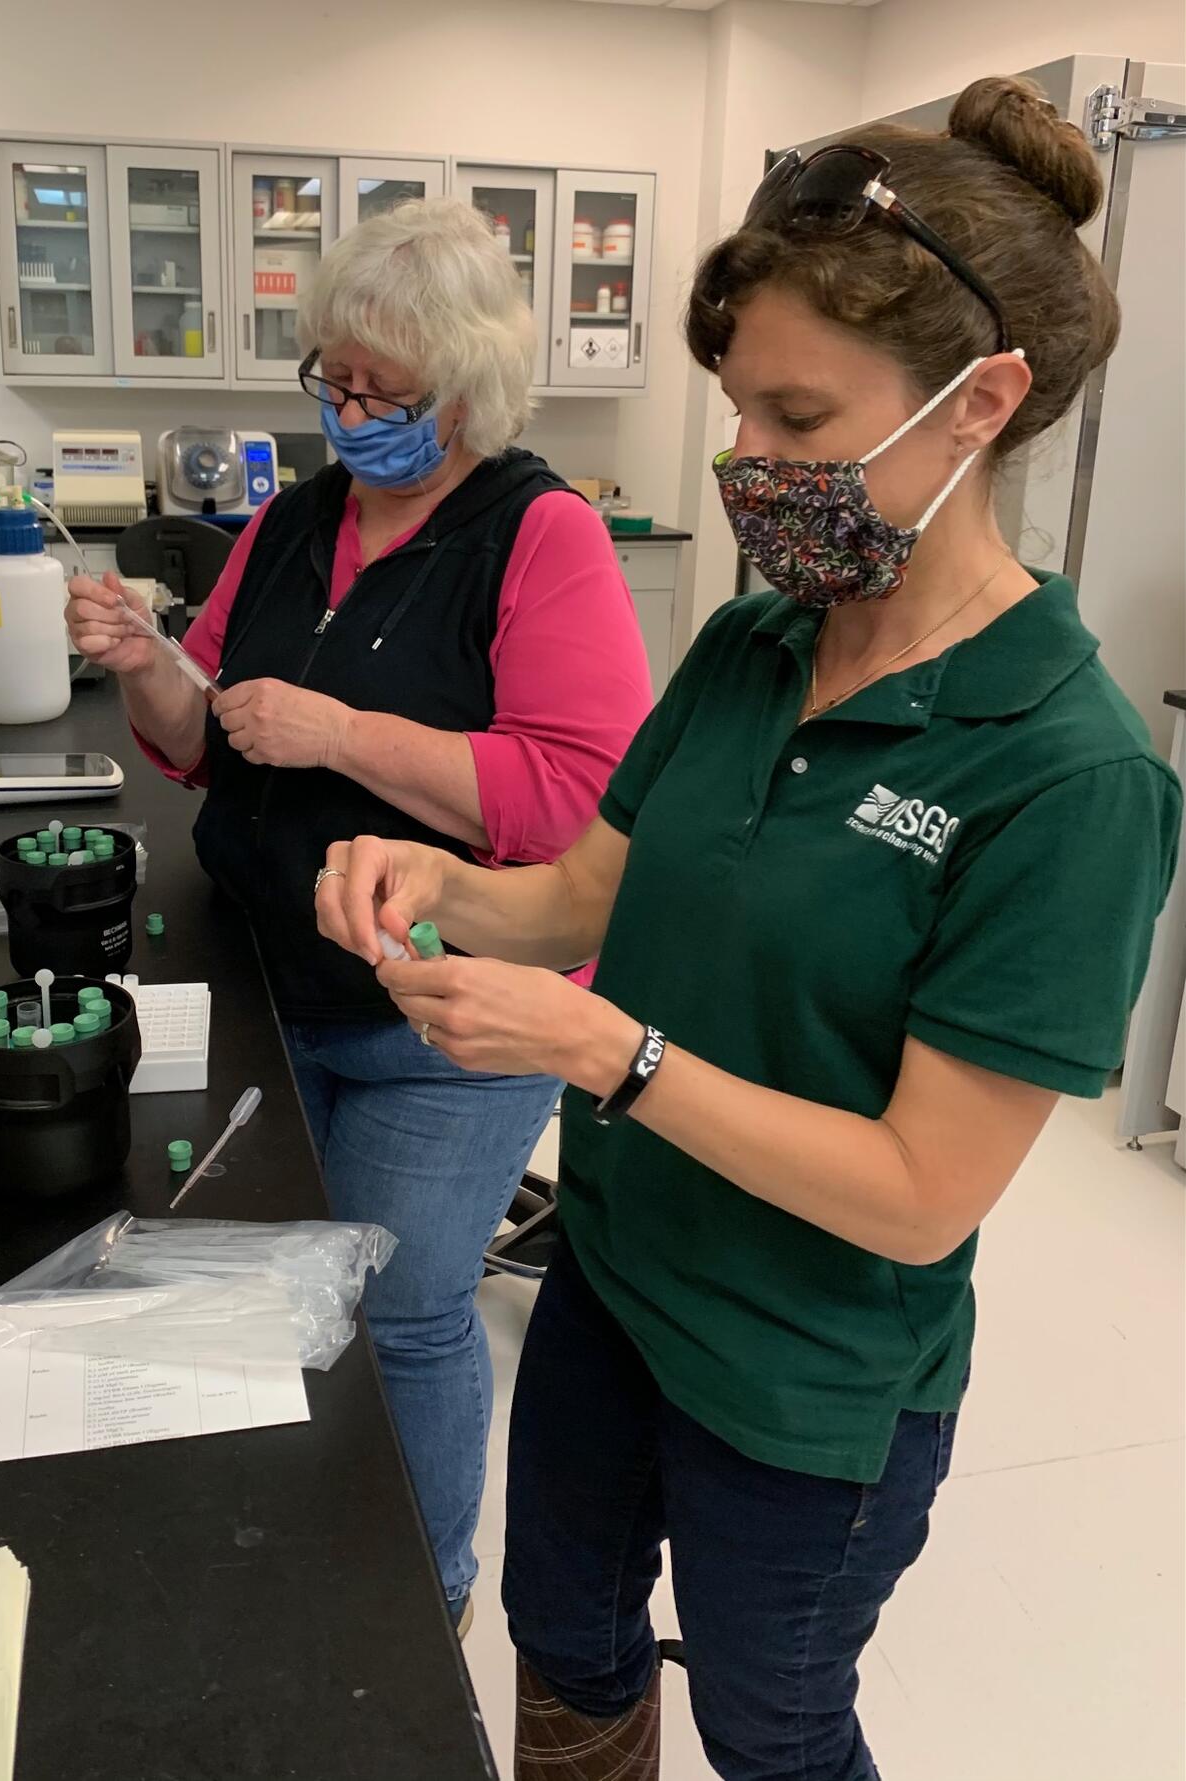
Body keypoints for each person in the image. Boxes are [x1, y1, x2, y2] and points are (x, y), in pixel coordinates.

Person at [313, 78, 1182, 1779]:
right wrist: (428, 878)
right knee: (563, 1640)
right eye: (738, 417)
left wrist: (604, 1049)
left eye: (798, 418)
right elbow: (580, 895)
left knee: (774, 1720)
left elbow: (925, 1197)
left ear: (980, 403)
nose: (750, 470)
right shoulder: (757, 642)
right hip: (617, 1289)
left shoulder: (1067, 773)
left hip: (807, 1382)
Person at [65, 197, 653, 1631]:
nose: (354, 411)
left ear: (469, 390)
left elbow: (577, 802)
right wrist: (147, 662)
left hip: (446, 1015)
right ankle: (299, 1559)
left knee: (402, 1305)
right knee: (277, 1280)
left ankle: (427, 1603)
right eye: (336, 379)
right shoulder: (290, 518)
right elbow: (199, 736)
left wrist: (342, 732)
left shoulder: (542, 535)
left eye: (388, 392)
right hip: (271, 973)